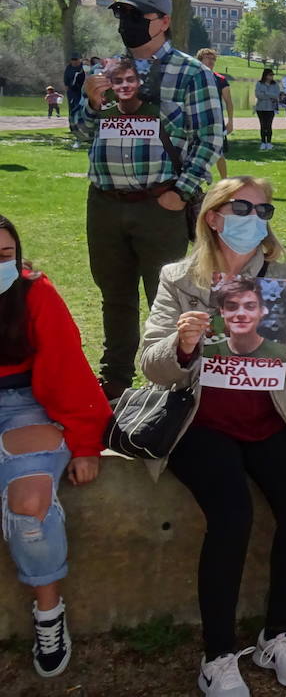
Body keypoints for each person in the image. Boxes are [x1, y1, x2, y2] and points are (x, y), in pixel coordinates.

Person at [137, 177, 286, 695]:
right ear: (214, 216)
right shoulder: (178, 277)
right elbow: (151, 365)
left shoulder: (284, 275)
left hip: (268, 415)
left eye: (265, 208)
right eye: (242, 206)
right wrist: (184, 343)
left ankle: (277, 633)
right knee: (232, 512)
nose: (254, 216)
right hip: (201, 421)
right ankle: (217, 653)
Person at [74, 0, 224, 401]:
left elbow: (210, 139)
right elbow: (81, 132)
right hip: (105, 202)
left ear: (162, 22)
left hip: (160, 205)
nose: (127, 23)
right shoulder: (107, 71)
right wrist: (89, 101)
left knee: (170, 299)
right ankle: (116, 378)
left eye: (136, 16)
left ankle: (173, 380)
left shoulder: (191, 72)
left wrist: (181, 192)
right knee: (114, 294)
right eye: (121, 15)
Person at [0, 215, 107, 679]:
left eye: (5, 256)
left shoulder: (35, 293)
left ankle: (49, 613)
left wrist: (84, 443)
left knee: (30, 506)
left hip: (24, 402)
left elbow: (67, 369)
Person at [197, 49, 234, 179]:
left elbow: (228, 101)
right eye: (208, 58)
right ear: (200, 59)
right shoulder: (192, 77)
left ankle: (224, 182)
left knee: (219, 153)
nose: (211, 61)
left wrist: (230, 121)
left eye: (213, 59)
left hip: (215, 121)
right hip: (196, 120)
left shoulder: (220, 79)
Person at [254, 68, 282, 151]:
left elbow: (277, 95)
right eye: (270, 75)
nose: (271, 76)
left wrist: (266, 93)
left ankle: (269, 143)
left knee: (269, 125)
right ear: (265, 75)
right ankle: (263, 142)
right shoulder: (259, 84)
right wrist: (270, 96)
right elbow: (258, 95)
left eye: (272, 75)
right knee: (262, 125)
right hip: (260, 108)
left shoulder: (275, 85)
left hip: (271, 108)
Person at [62, 53, 85, 130]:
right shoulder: (69, 67)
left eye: (76, 59)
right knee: (72, 108)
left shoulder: (84, 67)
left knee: (81, 108)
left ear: (80, 59)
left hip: (82, 91)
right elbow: (66, 80)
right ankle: (73, 126)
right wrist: (68, 90)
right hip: (72, 91)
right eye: (73, 59)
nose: (74, 61)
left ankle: (81, 126)